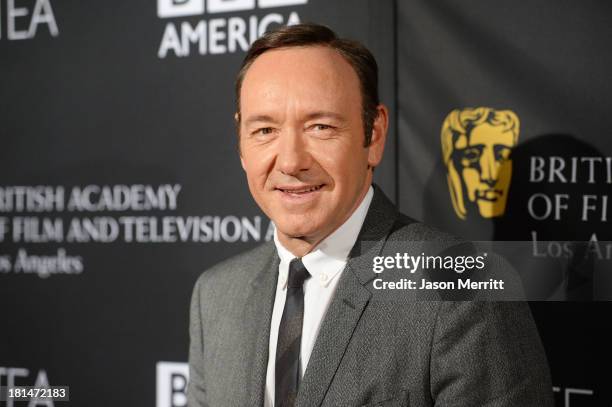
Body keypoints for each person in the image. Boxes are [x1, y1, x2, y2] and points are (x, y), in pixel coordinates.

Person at [187, 23, 553, 407]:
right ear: (241, 143)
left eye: (321, 127)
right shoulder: (215, 295)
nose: (291, 161)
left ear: (373, 135)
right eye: (264, 130)